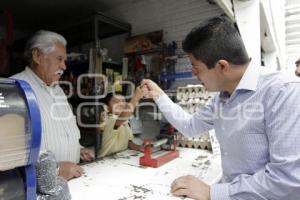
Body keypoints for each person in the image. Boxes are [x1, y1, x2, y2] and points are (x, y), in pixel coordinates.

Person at [141, 16, 300, 200]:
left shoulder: (284, 92)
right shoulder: (222, 98)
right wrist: (159, 95)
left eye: (196, 67)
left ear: (222, 66)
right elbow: (190, 126)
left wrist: (212, 192)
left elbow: (288, 180)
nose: (193, 74)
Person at [11, 30, 95, 181]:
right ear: (37, 56)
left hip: (72, 182)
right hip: (39, 189)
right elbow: (8, 150)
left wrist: (78, 149)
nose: (64, 66)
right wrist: (54, 169)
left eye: (64, 60)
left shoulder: (58, 91)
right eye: (59, 59)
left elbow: (61, 131)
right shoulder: (13, 90)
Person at [98, 89, 143, 157]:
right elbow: (122, 118)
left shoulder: (126, 122)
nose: (121, 104)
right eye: (116, 101)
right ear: (107, 108)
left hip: (120, 158)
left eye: (123, 101)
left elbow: (128, 142)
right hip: (106, 160)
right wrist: (136, 97)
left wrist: (140, 148)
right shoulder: (109, 120)